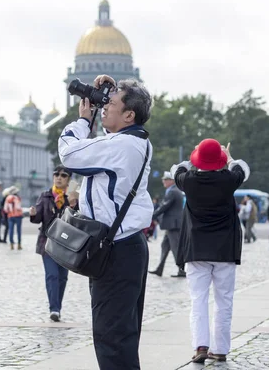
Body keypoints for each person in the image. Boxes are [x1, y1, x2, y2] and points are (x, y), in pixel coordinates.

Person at [58, 74, 153, 369]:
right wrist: (111, 91)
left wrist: (83, 121)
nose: (103, 107)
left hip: (117, 253)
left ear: (129, 115)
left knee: (112, 338)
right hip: (125, 248)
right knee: (121, 336)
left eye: (110, 103)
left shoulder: (121, 147)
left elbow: (69, 153)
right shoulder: (132, 141)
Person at [172, 139, 249, 363]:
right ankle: (221, 348)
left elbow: (178, 168)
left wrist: (194, 154)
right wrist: (228, 156)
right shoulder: (229, 180)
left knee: (198, 300)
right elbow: (242, 167)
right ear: (221, 161)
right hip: (225, 249)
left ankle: (200, 346)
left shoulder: (188, 181)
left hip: (196, 249)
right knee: (224, 300)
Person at [29, 165, 71, 322]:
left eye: (63, 175)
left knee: (62, 278)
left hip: (67, 245)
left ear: (68, 180)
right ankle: (54, 309)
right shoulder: (45, 196)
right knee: (52, 275)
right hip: (47, 242)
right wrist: (33, 214)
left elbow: (79, 219)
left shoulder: (71, 199)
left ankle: (57, 307)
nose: (59, 177)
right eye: (56, 174)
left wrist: (74, 205)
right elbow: (38, 217)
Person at [148, 171, 185, 277]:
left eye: (165, 179)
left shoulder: (172, 191)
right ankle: (160, 268)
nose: (163, 181)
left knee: (175, 248)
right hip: (172, 224)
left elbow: (164, 206)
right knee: (165, 246)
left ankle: (182, 270)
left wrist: (152, 215)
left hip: (172, 224)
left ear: (172, 181)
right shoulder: (174, 190)